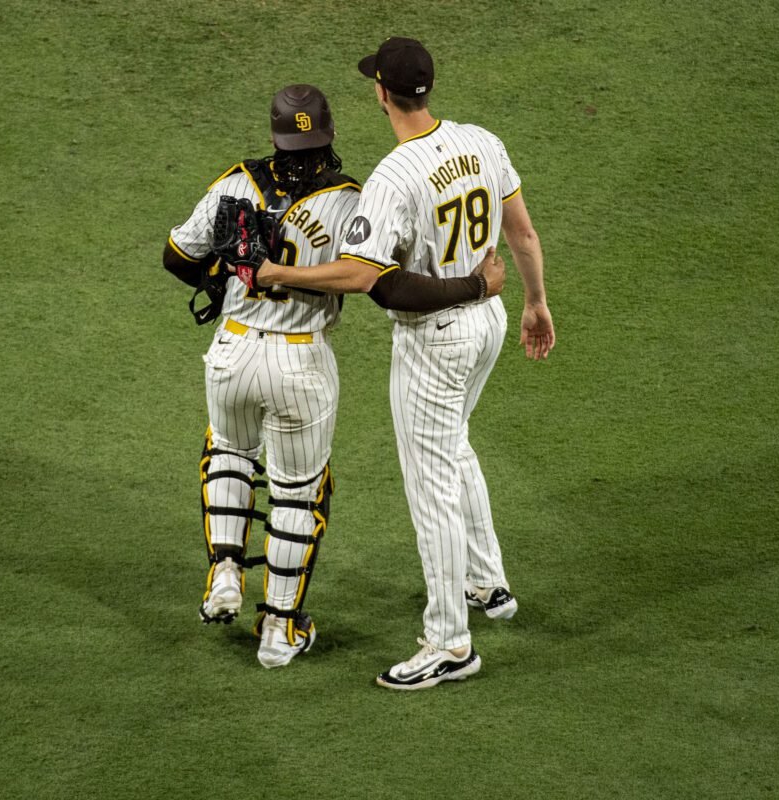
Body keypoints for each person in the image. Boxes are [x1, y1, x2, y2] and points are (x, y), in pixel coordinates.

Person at [241, 39, 555, 689]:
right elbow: (520, 232)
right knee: (454, 449)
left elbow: (369, 279)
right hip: (488, 329)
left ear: (381, 93)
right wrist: (537, 304)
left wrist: (274, 270)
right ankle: (486, 581)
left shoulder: (393, 177)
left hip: (437, 340)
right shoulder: (482, 142)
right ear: (427, 90)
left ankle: (449, 644)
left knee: (430, 488)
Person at [163, 83, 505, 669]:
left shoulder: (234, 183)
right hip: (301, 363)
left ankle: (224, 567)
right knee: (299, 491)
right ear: (328, 136)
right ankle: (279, 631)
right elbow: (383, 286)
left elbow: (177, 257)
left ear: (274, 136)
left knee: (229, 453)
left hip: (232, 352)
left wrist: (233, 271)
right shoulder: (354, 198)